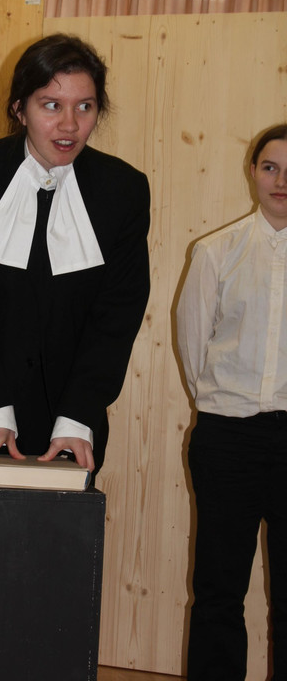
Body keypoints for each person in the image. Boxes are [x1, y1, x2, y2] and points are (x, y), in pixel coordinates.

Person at [0, 33, 150, 592]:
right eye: (51, 105)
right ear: (19, 108)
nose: (69, 124)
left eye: (85, 106)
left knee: (55, 600)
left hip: (68, 431)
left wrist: (76, 417)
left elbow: (116, 318)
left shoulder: (123, 190)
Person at [177, 124, 287, 681]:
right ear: (252, 172)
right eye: (271, 167)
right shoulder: (215, 251)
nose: (282, 181)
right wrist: (226, 406)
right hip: (228, 440)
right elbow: (193, 346)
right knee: (219, 591)